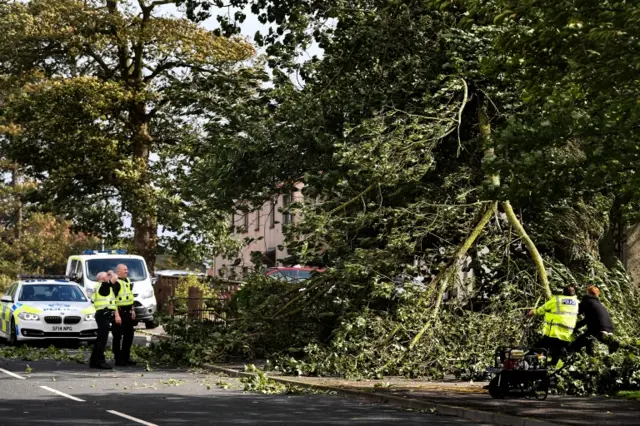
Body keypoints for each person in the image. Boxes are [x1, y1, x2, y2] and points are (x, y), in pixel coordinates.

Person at [527, 285, 579, 367]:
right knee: (557, 351)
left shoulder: (557, 300)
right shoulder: (576, 302)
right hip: (567, 334)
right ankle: (552, 366)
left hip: (555, 332)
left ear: (563, 292)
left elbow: (543, 308)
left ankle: (529, 362)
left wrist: (534, 312)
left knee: (538, 349)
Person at [571, 285, 619, 355]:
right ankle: (609, 341)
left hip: (597, 328)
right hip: (610, 328)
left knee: (577, 344)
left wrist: (573, 327)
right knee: (588, 342)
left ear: (588, 292)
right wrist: (577, 326)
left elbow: (575, 312)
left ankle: (572, 352)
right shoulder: (599, 304)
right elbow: (587, 319)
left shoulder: (587, 300)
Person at [90, 271, 120, 370]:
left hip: (102, 315)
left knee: (99, 339)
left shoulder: (100, 287)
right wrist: (111, 272)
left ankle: (93, 361)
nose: (109, 277)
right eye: (107, 277)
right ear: (104, 279)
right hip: (103, 315)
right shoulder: (103, 287)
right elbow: (115, 277)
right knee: (102, 340)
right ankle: (100, 361)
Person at [111, 264, 136, 367]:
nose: (127, 271)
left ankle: (126, 357)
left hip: (128, 312)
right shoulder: (116, 283)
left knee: (129, 335)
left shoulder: (128, 281)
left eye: (127, 269)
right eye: (124, 270)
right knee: (117, 336)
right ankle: (118, 358)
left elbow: (130, 297)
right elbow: (113, 300)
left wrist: (133, 310)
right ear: (118, 271)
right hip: (119, 312)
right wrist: (117, 315)